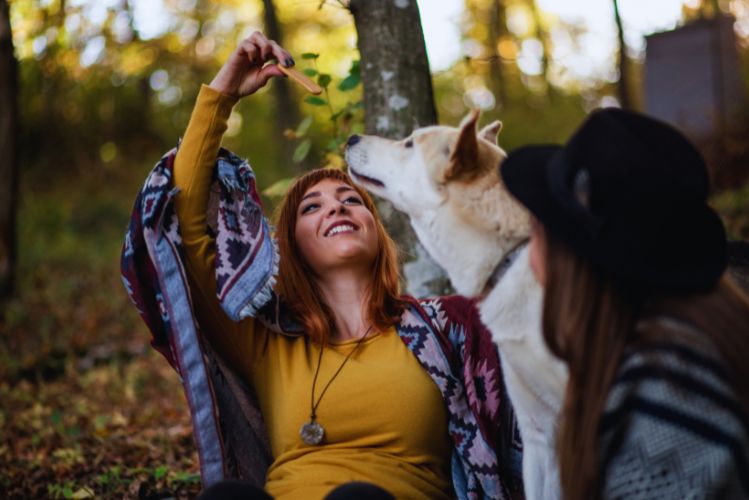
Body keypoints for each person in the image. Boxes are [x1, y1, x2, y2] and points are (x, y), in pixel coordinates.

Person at [122, 32, 523, 499]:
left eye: (351, 200)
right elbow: (184, 220)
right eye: (311, 208)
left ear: (376, 232)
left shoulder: (445, 328)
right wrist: (223, 95)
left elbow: (525, 292)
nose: (336, 209)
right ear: (290, 246)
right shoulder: (267, 340)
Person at [500, 108, 749, 499]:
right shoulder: (684, 345)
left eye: (536, 233)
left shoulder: (665, 400)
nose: (528, 257)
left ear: (572, 258)